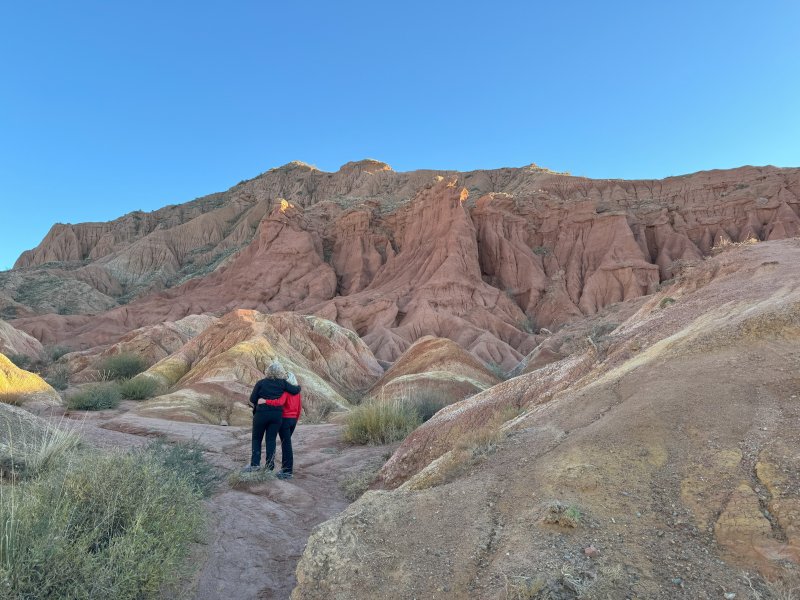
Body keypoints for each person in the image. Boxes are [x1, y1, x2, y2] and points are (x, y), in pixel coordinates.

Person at [242, 361, 301, 473]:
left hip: (261, 414)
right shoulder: (283, 383)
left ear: (268, 371)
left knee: (256, 439)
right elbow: (295, 390)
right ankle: (269, 467)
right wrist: (299, 387)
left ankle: (255, 465)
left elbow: (252, 399)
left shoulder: (261, 383)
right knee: (271, 440)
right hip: (276, 416)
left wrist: (262, 400)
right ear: (280, 372)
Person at [277, 372, 302, 479]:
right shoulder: (297, 392)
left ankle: (287, 471)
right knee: (286, 444)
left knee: (286, 445)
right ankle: (285, 469)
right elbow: (299, 408)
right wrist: (295, 421)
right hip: (292, 420)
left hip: (285, 420)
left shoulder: (285, 392)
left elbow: (279, 403)